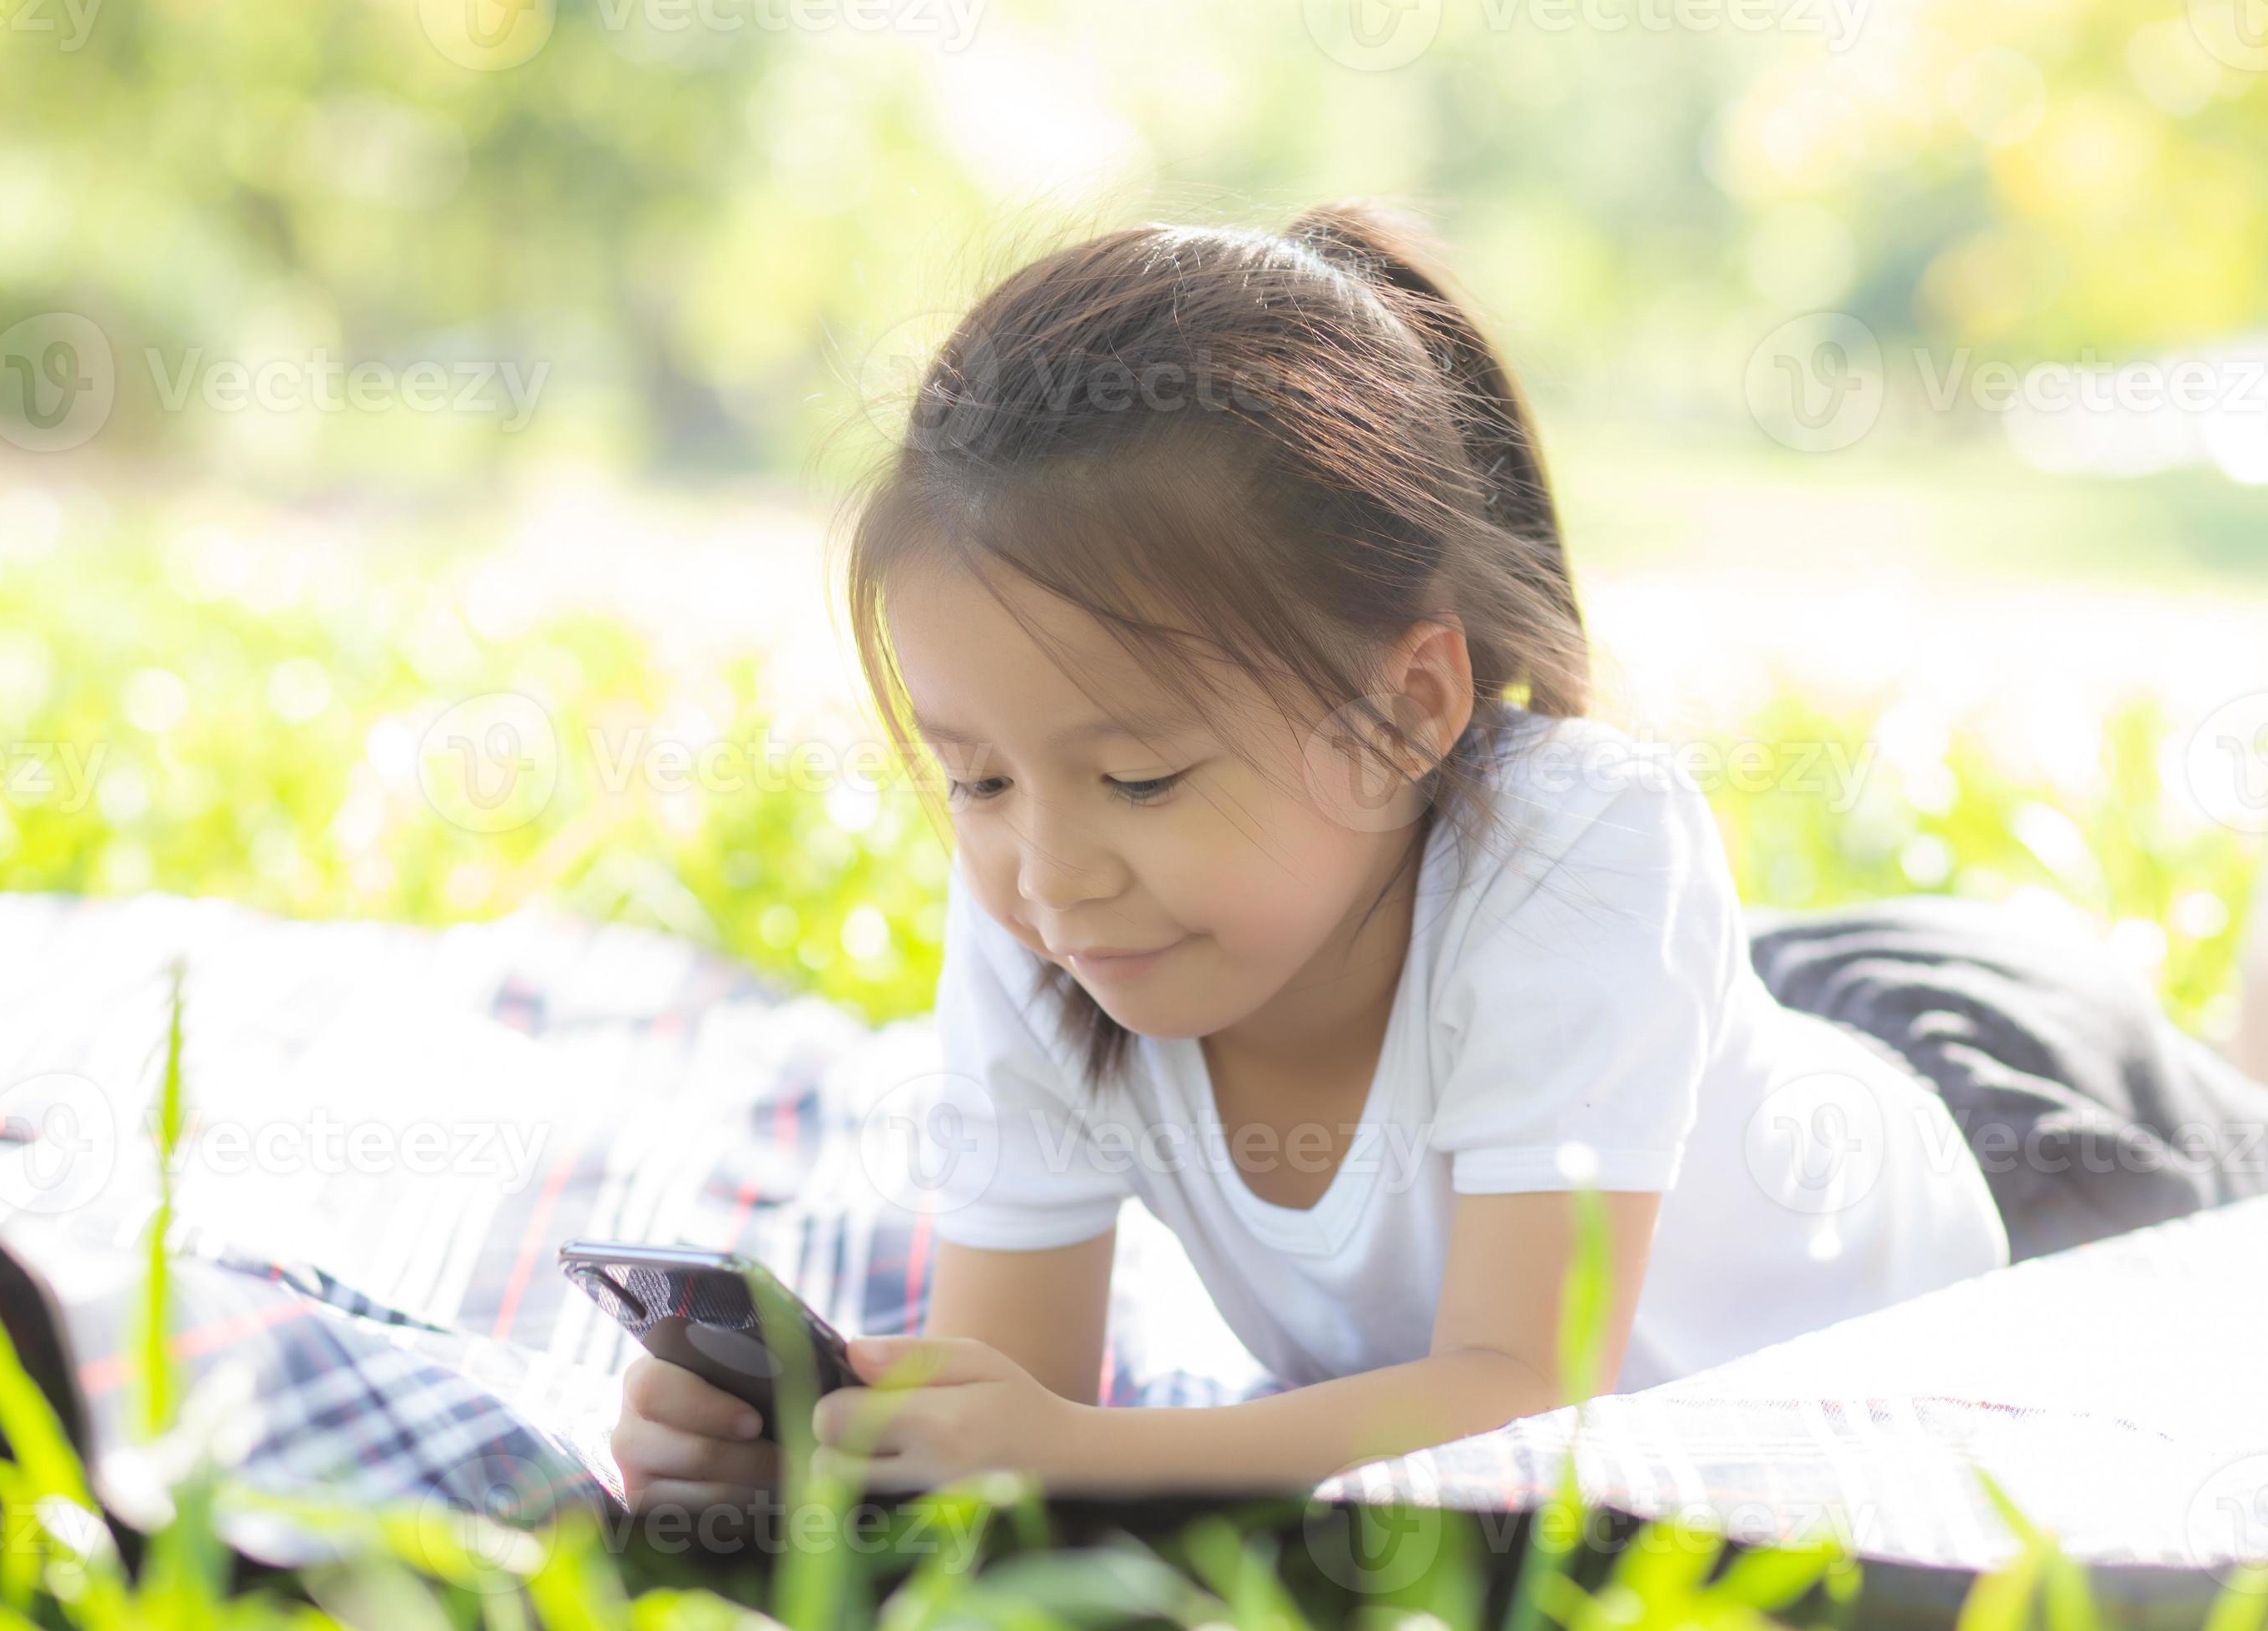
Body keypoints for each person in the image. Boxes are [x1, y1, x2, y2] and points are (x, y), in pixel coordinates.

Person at [610, 198, 2118, 1510]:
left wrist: (1075, 1452)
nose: (1049, 873)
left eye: (1140, 776)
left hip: (1993, 1129)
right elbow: (1010, 1400)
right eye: (978, 777)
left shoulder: (1581, 844)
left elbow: (1527, 1403)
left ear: (1404, 711)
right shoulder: (1051, 920)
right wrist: (828, 1450)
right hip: (1654, 1035)